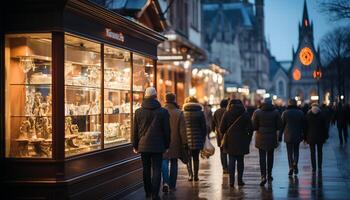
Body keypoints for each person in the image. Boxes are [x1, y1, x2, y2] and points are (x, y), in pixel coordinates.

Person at [132, 87, 171, 199]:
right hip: (158, 146)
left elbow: (135, 131)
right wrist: (167, 145)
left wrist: (135, 145)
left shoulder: (138, 112)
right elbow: (167, 131)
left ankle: (148, 192)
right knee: (157, 169)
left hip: (143, 146)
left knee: (146, 169)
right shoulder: (163, 112)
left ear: (145, 96)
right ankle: (155, 194)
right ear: (155, 96)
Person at [219, 99, 253, 187]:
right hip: (242, 140)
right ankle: (240, 180)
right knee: (240, 161)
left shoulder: (227, 113)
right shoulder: (245, 114)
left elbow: (221, 129)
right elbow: (251, 128)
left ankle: (231, 182)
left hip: (230, 141)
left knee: (231, 160)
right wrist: (248, 139)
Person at [252, 98, 282, 186]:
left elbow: (254, 126)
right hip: (271, 136)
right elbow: (279, 125)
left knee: (262, 157)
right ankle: (269, 175)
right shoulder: (276, 112)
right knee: (270, 156)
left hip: (260, 137)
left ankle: (263, 176)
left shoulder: (257, 112)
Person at [161, 93, 187, 193]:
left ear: (165, 100)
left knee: (164, 161)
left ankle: (165, 182)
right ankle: (172, 185)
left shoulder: (161, 111)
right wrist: (185, 143)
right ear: (174, 99)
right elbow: (183, 131)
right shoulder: (179, 112)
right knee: (174, 162)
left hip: (163, 141)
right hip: (176, 142)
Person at [183, 96, 207, 181]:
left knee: (188, 158)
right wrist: (203, 138)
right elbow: (204, 127)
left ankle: (190, 175)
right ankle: (196, 175)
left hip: (186, 138)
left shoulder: (183, 112)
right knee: (196, 157)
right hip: (198, 138)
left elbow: (182, 127)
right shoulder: (200, 112)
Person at [279, 99, 305, 176]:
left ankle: (290, 167)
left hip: (288, 135)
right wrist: (304, 134)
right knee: (296, 150)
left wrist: (280, 135)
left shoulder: (285, 113)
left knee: (289, 152)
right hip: (297, 134)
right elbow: (303, 125)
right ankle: (295, 163)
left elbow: (282, 126)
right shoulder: (300, 113)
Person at [304, 103, 328, 173]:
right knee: (320, 152)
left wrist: (305, 138)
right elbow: (325, 127)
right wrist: (326, 136)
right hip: (320, 136)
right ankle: (319, 166)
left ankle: (314, 167)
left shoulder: (308, 115)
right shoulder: (322, 115)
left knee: (312, 152)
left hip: (310, 136)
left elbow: (305, 128)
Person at [211, 98, 229, 174]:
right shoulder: (228, 111)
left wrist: (214, 130)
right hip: (228, 134)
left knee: (222, 152)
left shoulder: (216, 112)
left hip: (219, 134)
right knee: (229, 151)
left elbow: (213, 124)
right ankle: (229, 167)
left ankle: (224, 167)